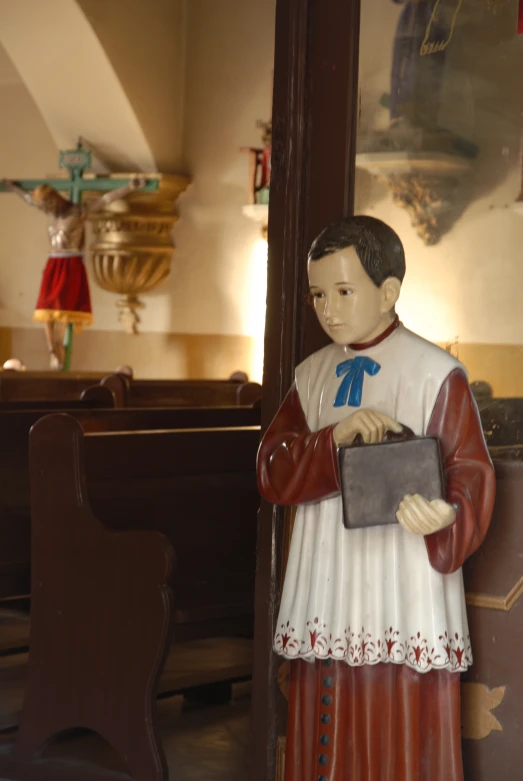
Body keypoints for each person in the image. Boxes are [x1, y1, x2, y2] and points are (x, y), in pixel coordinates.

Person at [257, 216, 495, 781]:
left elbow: (471, 472)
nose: (329, 309)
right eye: (318, 294)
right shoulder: (311, 376)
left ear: (388, 292)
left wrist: (448, 516)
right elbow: (271, 469)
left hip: (402, 574)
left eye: (344, 291)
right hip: (328, 570)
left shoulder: (435, 373)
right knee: (324, 703)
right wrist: (330, 439)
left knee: (398, 710)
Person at [2, 176, 146, 369]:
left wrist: (129, 187)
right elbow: (29, 200)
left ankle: (59, 348)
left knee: (63, 307)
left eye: (47, 203)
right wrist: (14, 188)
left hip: (70, 262)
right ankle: (52, 348)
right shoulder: (50, 212)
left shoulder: (78, 211)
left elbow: (105, 200)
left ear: (54, 199)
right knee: (45, 306)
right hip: (54, 262)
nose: (45, 207)